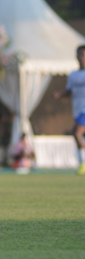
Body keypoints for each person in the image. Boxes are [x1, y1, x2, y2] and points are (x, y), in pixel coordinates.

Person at [53, 45, 85, 175]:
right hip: (77, 110)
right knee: (78, 136)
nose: (81, 57)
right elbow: (69, 92)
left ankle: (82, 164)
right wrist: (59, 94)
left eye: (83, 54)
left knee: (77, 134)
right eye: (79, 54)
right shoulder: (73, 75)